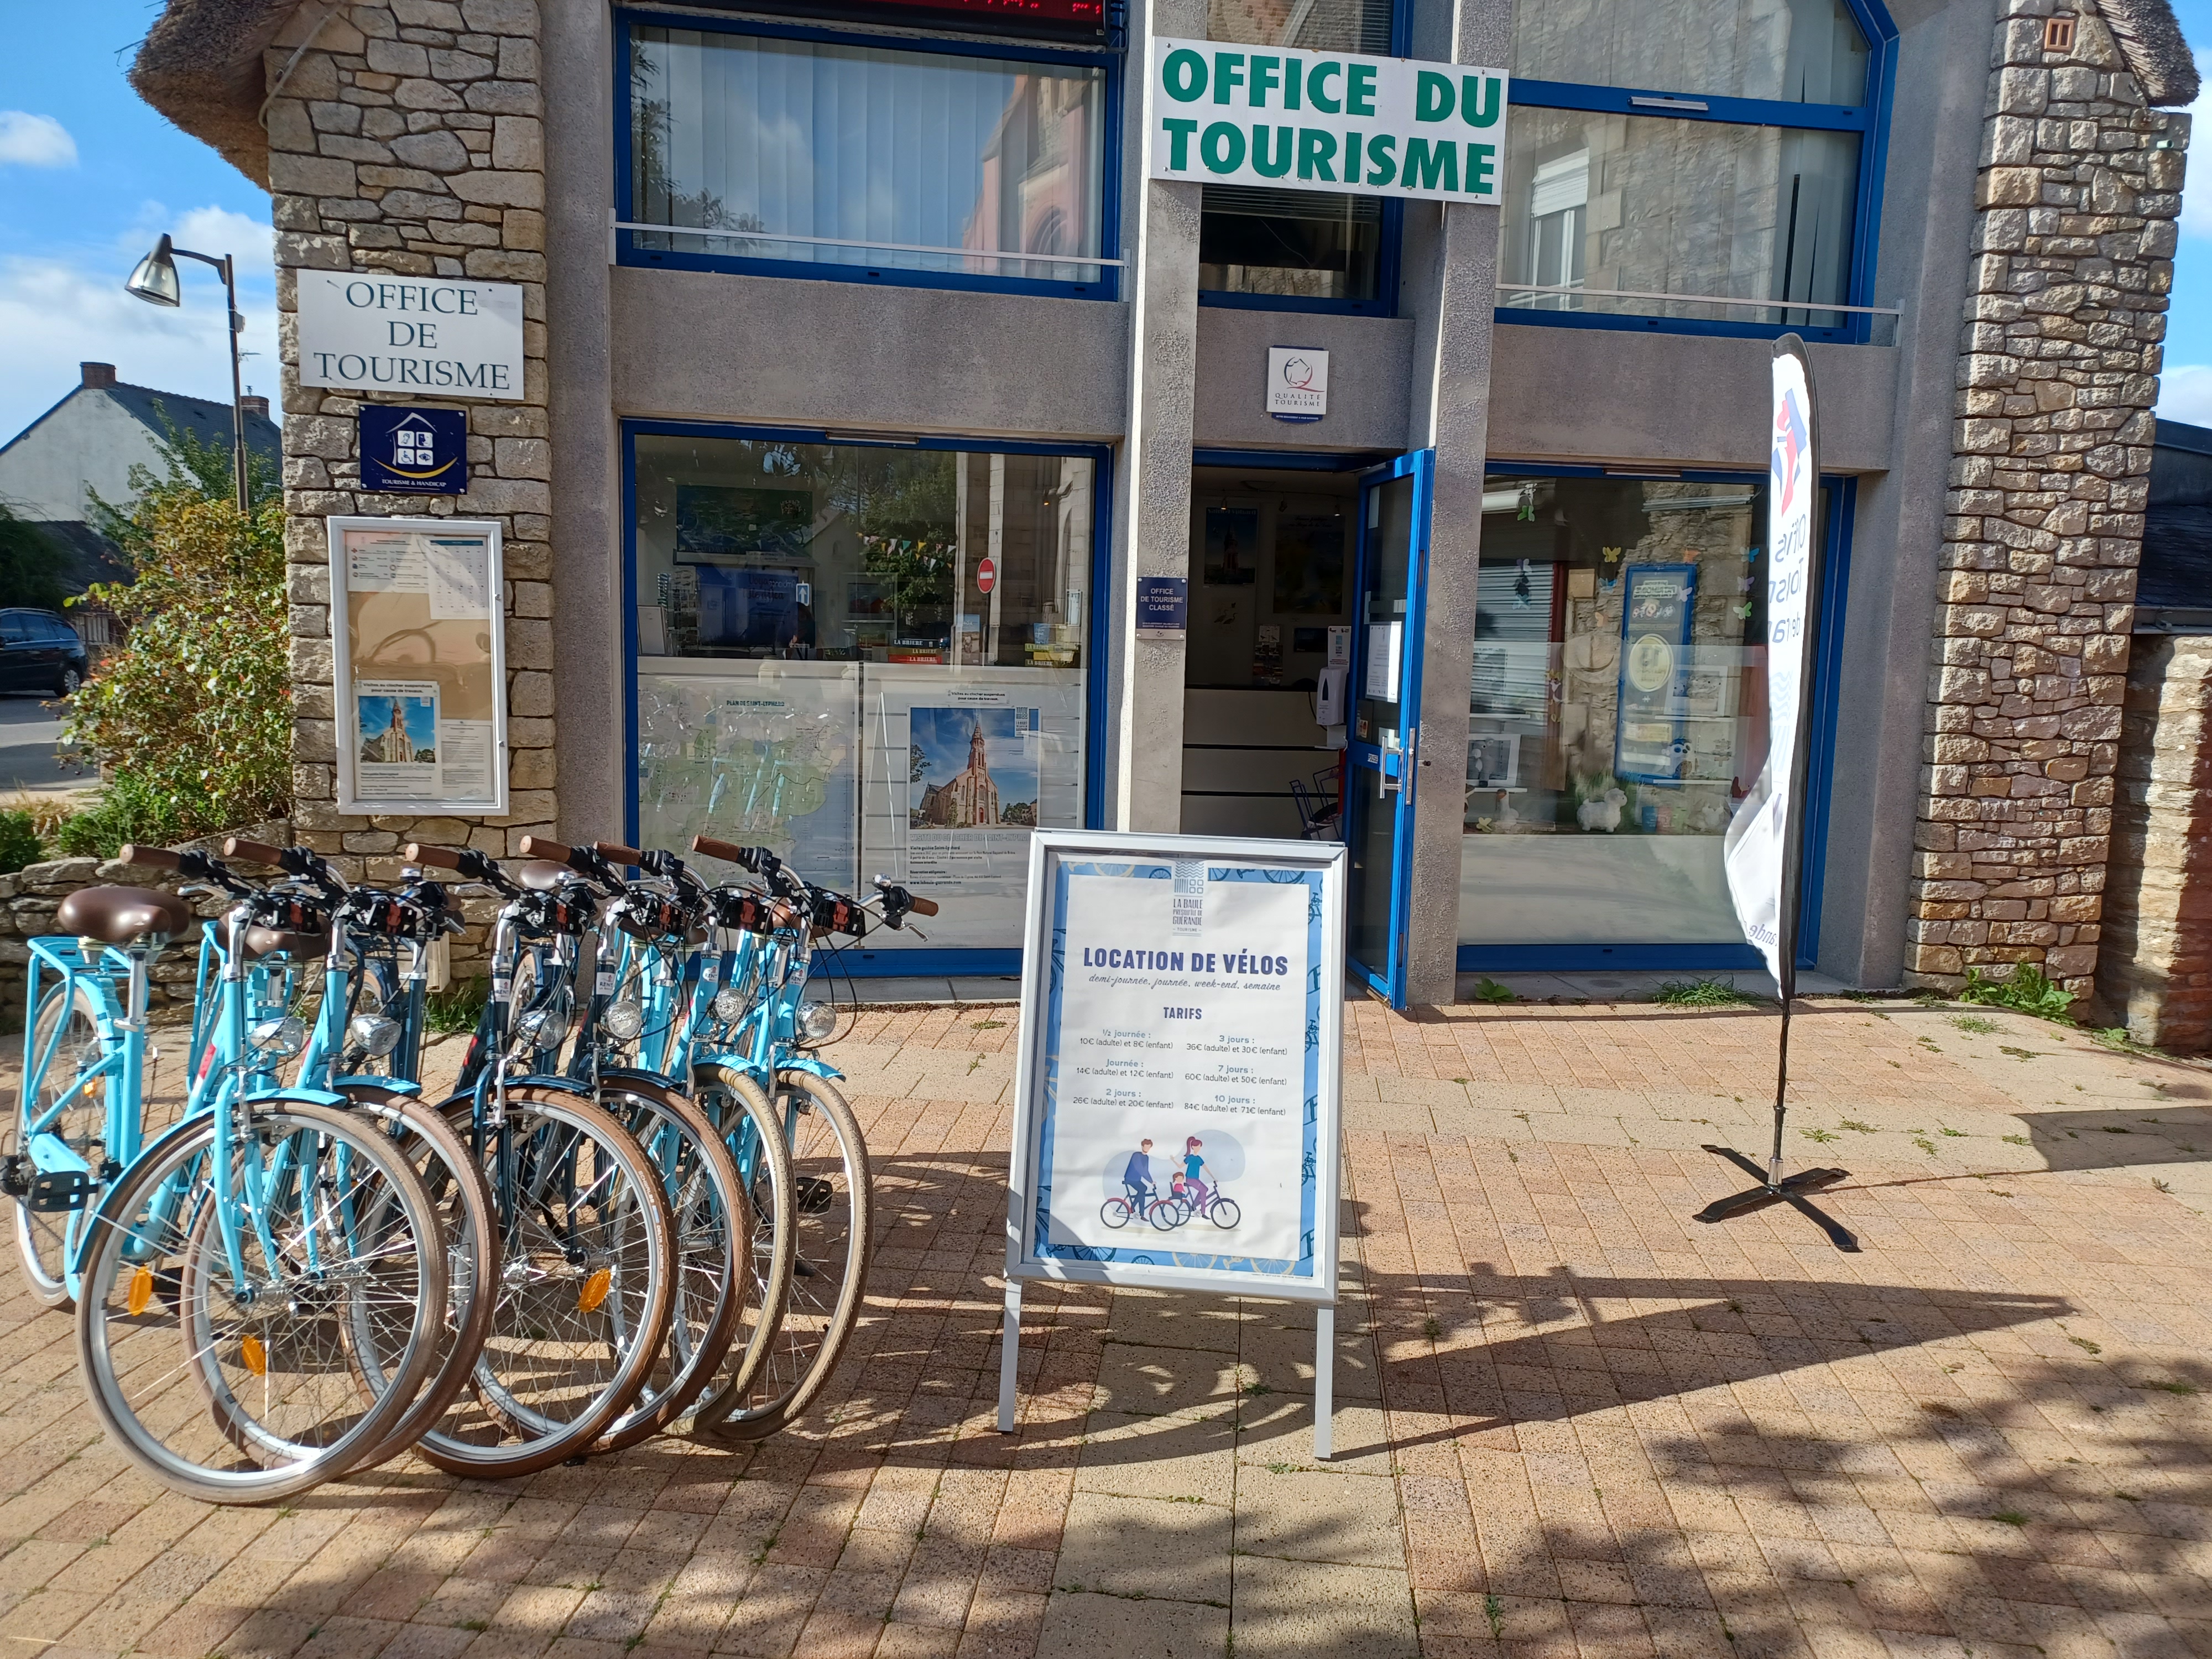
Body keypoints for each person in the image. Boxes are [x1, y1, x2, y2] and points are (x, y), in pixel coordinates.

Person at [1121, 1139, 1156, 1211]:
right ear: (1142, 1147)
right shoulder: (1136, 1155)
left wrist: (1152, 1181)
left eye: (1149, 1147)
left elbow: (1146, 1171)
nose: (1147, 1149)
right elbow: (1141, 1170)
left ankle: (1141, 1213)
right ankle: (1133, 1207)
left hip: (1137, 1180)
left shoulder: (1146, 1158)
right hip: (1130, 1179)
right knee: (1143, 1189)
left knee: (1143, 1190)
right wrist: (1150, 1181)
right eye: (1145, 1147)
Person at [1181, 1137, 1211, 1207]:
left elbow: (1206, 1168)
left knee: (1205, 1189)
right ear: (1193, 1147)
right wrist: (1173, 1160)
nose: (1199, 1149)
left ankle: (1195, 1204)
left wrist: (1214, 1178)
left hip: (1195, 1179)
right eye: (1197, 1147)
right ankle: (1203, 1212)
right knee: (1203, 1190)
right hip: (1190, 1179)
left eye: (1200, 1147)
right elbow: (1180, 1166)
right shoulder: (1190, 1157)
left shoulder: (1199, 1159)